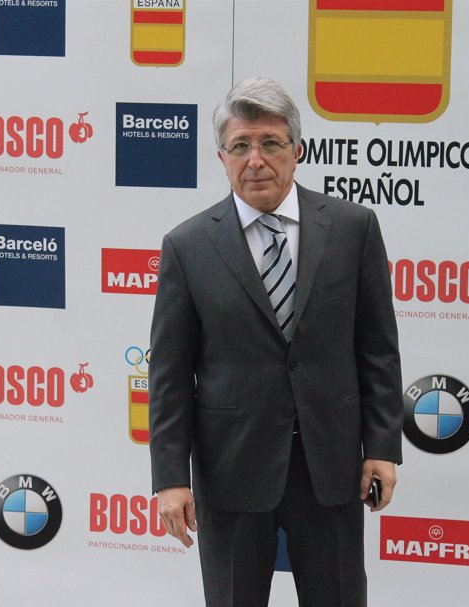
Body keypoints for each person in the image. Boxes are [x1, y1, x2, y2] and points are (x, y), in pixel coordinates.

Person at [149, 76, 403, 607]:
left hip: (329, 467)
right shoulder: (188, 246)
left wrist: (381, 446)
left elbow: (377, 348)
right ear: (222, 157)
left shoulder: (354, 228)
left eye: (270, 143)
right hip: (231, 470)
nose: (255, 159)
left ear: (298, 150)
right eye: (240, 146)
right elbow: (170, 374)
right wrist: (170, 478)